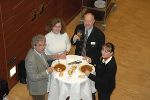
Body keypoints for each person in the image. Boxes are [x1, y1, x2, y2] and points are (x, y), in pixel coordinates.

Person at [25, 34, 53, 100]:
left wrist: (55, 56)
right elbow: (33, 77)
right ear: (34, 46)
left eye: (44, 45)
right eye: (40, 45)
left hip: (43, 83)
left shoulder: (39, 51)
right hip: (37, 88)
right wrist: (47, 72)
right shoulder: (30, 59)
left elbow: (44, 57)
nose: (43, 47)